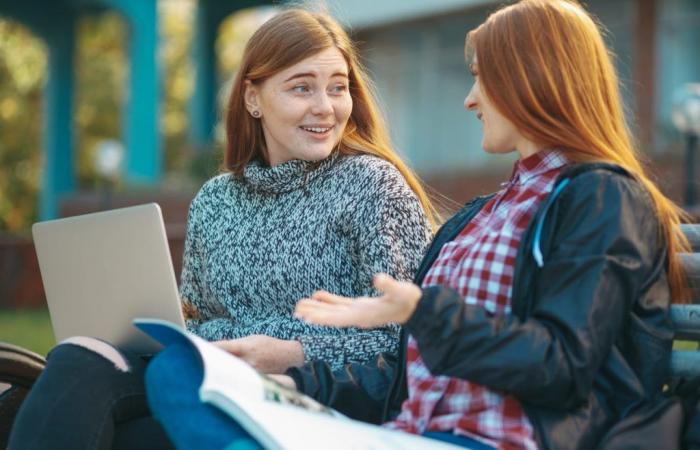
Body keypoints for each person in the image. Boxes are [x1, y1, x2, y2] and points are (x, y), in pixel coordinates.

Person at [144, 1, 690, 449]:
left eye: (482, 78)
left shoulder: (600, 197)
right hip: (411, 432)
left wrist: (424, 312)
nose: (470, 98)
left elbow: (564, 366)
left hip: (504, 440)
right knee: (173, 377)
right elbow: (402, 372)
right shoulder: (488, 213)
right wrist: (299, 382)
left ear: (534, 80)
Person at [7, 8, 438, 450]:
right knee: (79, 360)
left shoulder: (372, 185)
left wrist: (289, 353)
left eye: (338, 88)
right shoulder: (215, 200)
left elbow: (410, 338)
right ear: (253, 98)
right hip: (204, 371)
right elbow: (197, 314)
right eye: (302, 87)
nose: (325, 107)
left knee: (127, 437)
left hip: (301, 393)